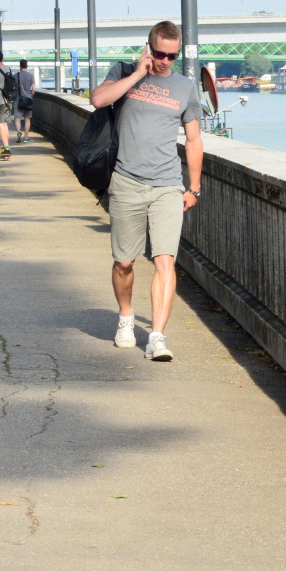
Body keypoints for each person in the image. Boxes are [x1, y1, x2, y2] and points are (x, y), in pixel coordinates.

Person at [89, 20, 203, 363]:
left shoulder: (185, 87)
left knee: (165, 260)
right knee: (124, 262)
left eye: (172, 56)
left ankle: (156, 337)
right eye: (159, 54)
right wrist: (139, 72)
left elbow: (194, 140)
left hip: (167, 184)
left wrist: (194, 188)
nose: (165, 61)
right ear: (148, 47)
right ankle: (126, 317)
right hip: (126, 181)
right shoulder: (124, 72)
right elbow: (98, 99)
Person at [14, 59, 37, 143]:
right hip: (28, 99)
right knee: (27, 119)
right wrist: (31, 96)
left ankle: (18, 132)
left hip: (18, 99)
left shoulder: (15, 76)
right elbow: (33, 89)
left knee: (17, 118)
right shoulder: (31, 76)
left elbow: (13, 88)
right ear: (27, 66)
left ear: (19, 66)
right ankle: (26, 137)